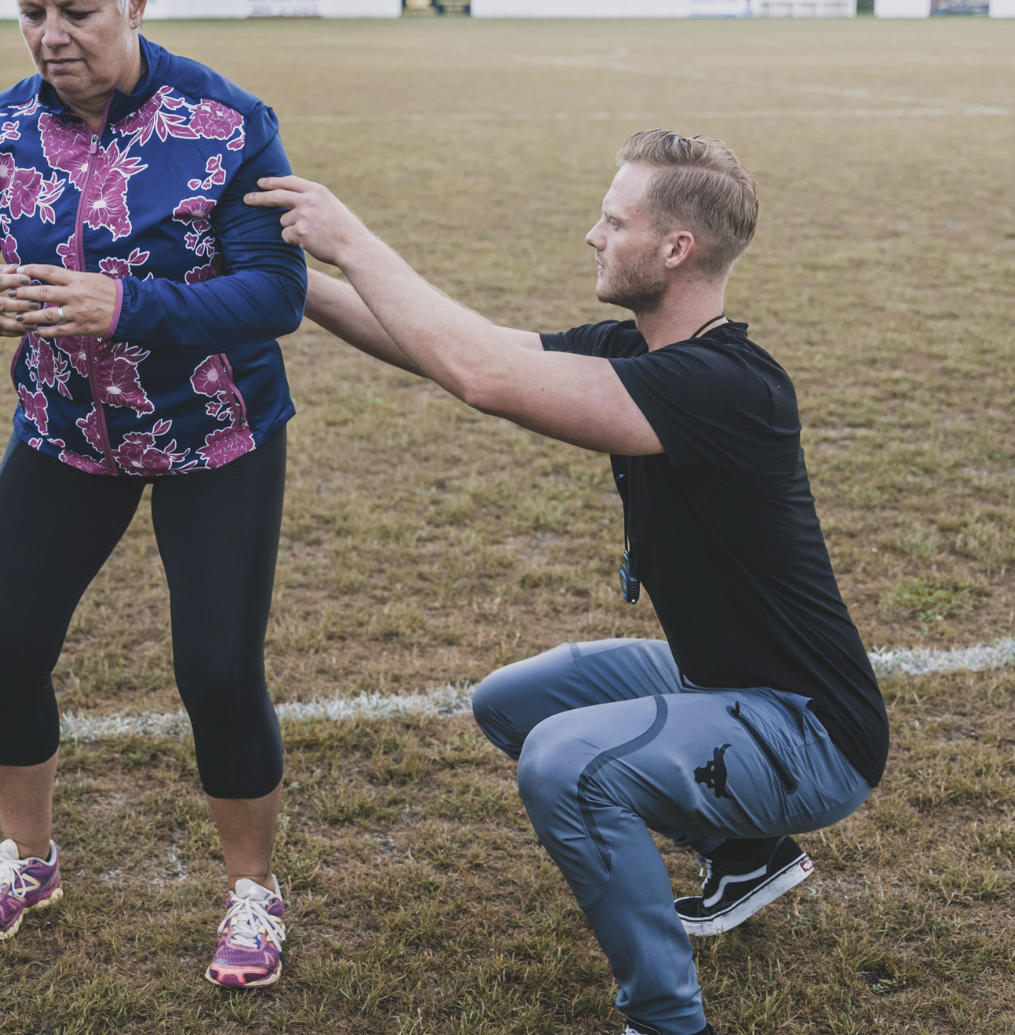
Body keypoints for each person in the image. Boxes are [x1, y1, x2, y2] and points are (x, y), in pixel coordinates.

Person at [244, 131, 889, 1035]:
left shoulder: (729, 386)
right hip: (729, 686)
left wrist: (349, 237)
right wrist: (276, 276)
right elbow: (444, 345)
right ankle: (746, 855)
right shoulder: (641, 353)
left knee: (568, 764)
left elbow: (486, 377)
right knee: (516, 704)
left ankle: (665, 1020)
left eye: (614, 220)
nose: (593, 234)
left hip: (812, 732)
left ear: (676, 250)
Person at [0, 0, 302, 989]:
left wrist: (124, 305)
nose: (50, 36)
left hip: (213, 436)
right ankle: (29, 859)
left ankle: (252, 889)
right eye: (31, 11)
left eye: (76, 12)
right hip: (64, 433)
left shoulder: (228, 124)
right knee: (4, 646)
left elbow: (276, 291)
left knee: (217, 670)